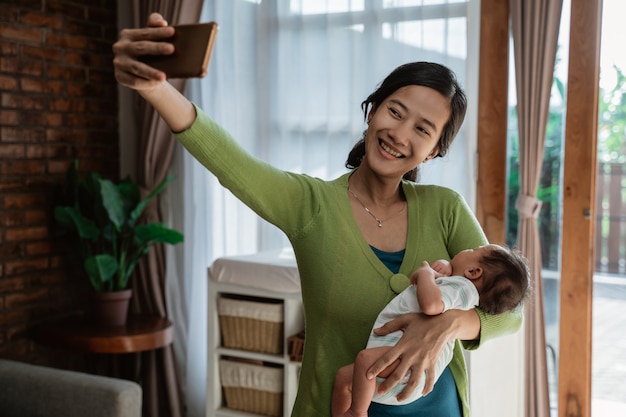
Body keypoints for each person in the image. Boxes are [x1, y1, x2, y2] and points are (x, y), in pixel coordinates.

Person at [112, 13, 524, 417]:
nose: (400, 135)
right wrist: (156, 89)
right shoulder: (311, 205)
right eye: (395, 112)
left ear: (434, 150)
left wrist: (446, 325)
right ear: (371, 110)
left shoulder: (446, 208)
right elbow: (231, 162)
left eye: (422, 129)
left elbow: (510, 315)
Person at [332, 244, 530, 417]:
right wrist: (445, 269)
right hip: (410, 373)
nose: (468, 249)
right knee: (344, 378)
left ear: (473, 272)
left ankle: (357, 412)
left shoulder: (462, 288)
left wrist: (426, 273)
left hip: (408, 368)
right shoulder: (461, 292)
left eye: (473, 250)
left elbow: (431, 305)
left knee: (365, 361)